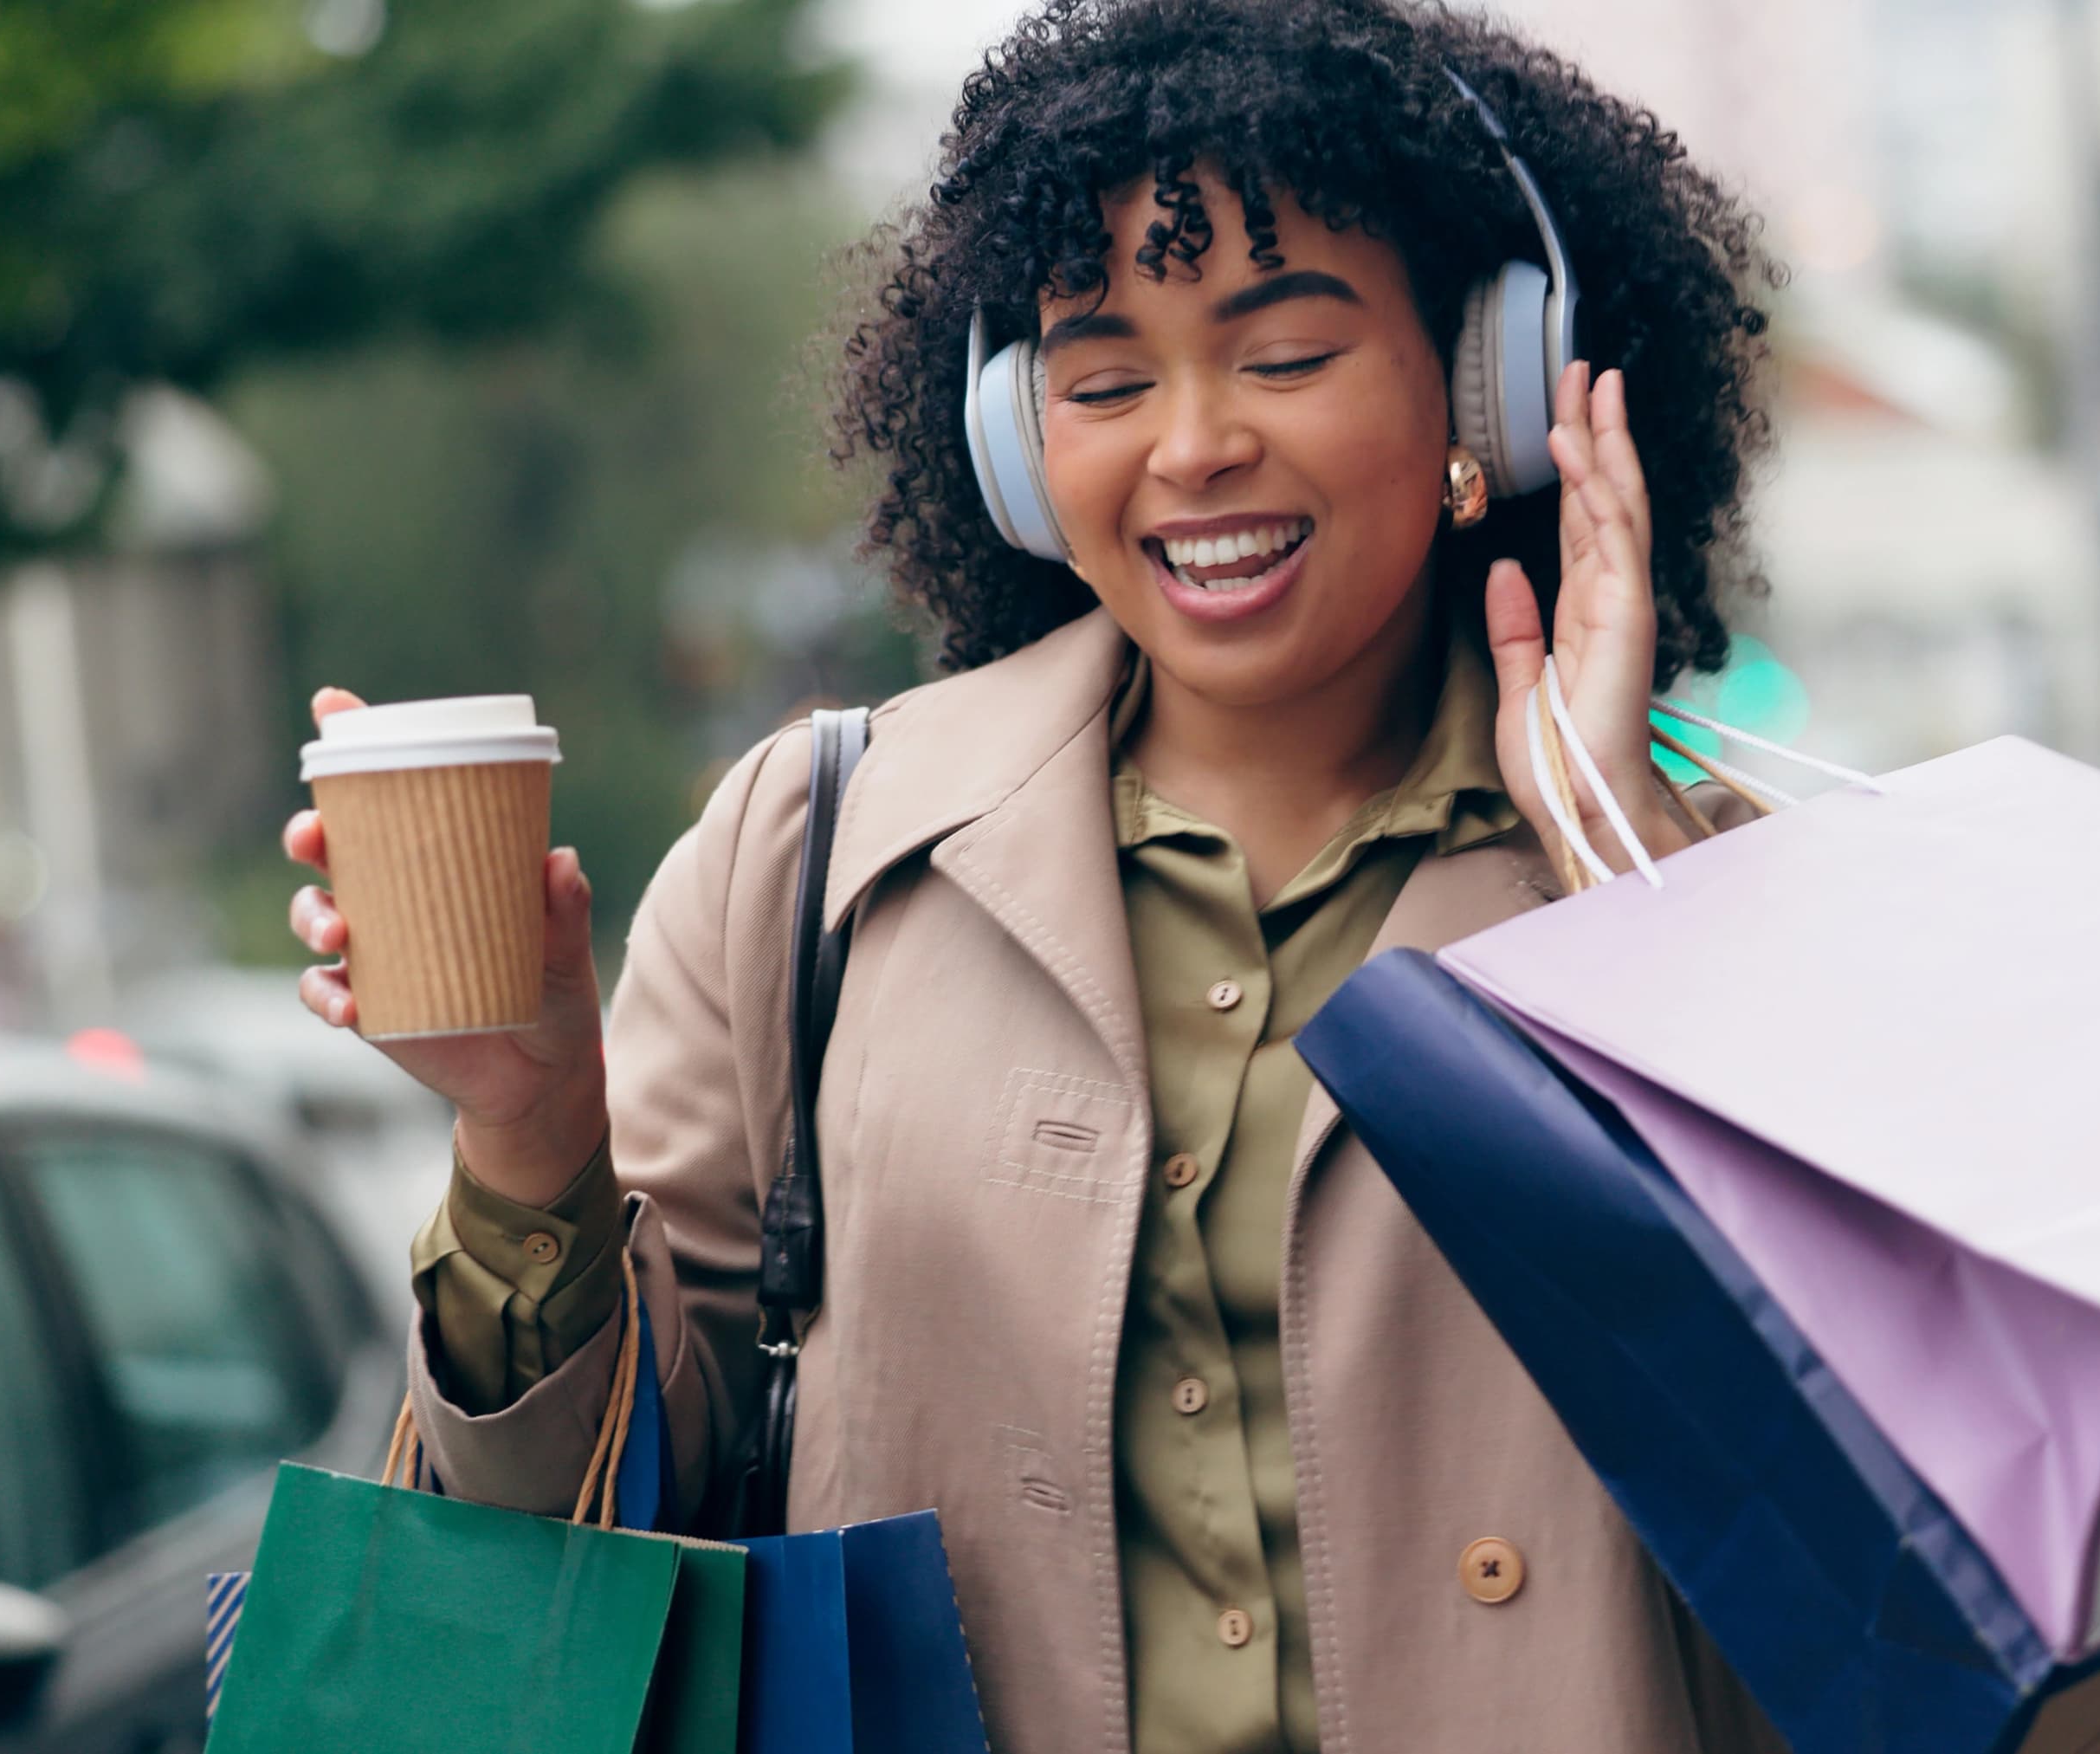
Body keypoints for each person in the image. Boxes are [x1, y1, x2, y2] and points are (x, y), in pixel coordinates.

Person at [276, 2, 1787, 1747]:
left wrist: (1610, 861)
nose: (1192, 442)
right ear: (1015, 444)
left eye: (1284, 354)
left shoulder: (1702, 891)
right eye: (1104, 376)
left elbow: (1884, 1494)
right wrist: (529, 1131)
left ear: (1487, 391)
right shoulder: (812, 855)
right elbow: (562, 1557)